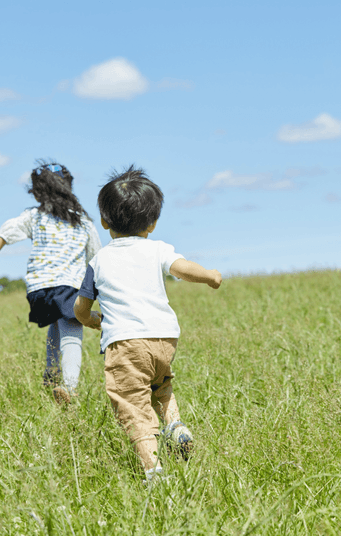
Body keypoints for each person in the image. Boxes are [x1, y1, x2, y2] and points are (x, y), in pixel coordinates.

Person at [73, 165, 222, 481]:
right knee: (160, 385)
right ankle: (174, 424)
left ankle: (154, 473)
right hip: (164, 339)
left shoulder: (98, 261)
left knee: (132, 406)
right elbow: (182, 268)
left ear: (104, 221)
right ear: (153, 223)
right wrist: (209, 275)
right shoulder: (158, 249)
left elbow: (81, 307)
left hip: (125, 342)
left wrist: (90, 320)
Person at [0, 160, 101, 404]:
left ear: (38, 192)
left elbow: (8, 230)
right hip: (68, 283)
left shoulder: (34, 216)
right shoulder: (83, 222)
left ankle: (51, 372)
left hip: (39, 288)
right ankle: (70, 387)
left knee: (56, 322)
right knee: (72, 332)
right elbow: (96, 257)